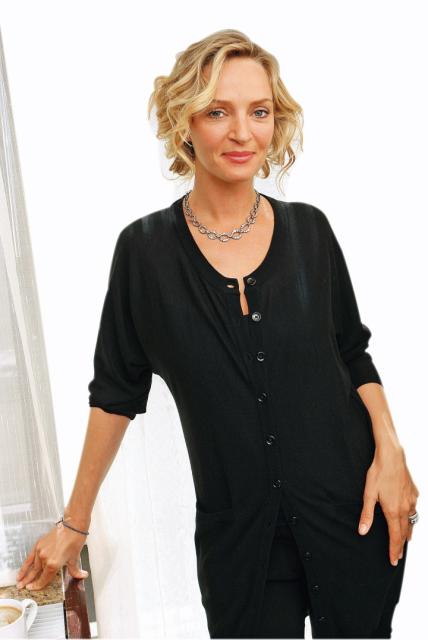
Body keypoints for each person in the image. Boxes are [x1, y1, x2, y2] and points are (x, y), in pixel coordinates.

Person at [16, 29, 419, 639]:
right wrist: (75, 522)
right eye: (217, 112)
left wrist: (392, 455)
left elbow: (351, 352)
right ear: (184, 121)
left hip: (353, 517)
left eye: (259, 112)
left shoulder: (310, 232)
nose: (242, 133)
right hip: (240, 545)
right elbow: (115, 394)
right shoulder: (145, 255)